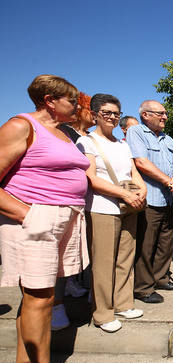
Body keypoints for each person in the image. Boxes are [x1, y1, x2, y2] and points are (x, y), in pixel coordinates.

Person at [0, 74, 89, 363]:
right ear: (49, 101)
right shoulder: (21, 125)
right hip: (36, 220)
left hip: (64, 218)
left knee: (40, 299)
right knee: (39, 298)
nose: (77, 105)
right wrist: (29, 214)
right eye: (72, 100)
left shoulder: (63, 131)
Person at [76, 94, 147, 332]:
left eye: (116, 113)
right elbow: (91, 178)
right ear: (95, 114)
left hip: (129, 206)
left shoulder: (122, 143)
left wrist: (141, 190)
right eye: (107, 112)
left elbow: (133, 172)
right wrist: (124, 194)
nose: (112, 117)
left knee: (125, 258)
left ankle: (123, 303)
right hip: (102, 208)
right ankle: (103, 312)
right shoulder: (86, 142)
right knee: (104, 262)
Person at [127, 100, 173, 304]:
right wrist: (169, 181)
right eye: (160, 113)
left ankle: (161, 277)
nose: (165, 117)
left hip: (168, 198)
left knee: (165, 243)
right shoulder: (137, 133)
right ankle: (143, 288)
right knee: (146, 245)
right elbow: (141, 162)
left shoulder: (168, 139)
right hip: (149, 199)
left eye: (165, 113)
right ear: (145, 115)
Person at [52, 91, 94, 332]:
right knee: (57, 254)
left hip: (81, 201)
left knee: (78, 247)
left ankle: (72, 282)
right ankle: (57, 304)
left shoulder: (85, 136)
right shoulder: (64, 133)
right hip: (58, 203)